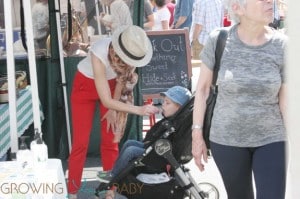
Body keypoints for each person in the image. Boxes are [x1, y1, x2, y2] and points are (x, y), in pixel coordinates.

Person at [192, 0, 287, 198]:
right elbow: (201, 91)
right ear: (237, 7)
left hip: (272, 139)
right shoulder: (218, 40)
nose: (270, 1)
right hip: (227, 141)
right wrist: (196, 135)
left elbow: (286, 100)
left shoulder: (282, 45)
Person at [67, 25, 159, 198]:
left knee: (110, 141)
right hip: (85, 85)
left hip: (110, 87)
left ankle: (111, 190)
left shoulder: (134, 54)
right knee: (80, 143)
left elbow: (120, 82)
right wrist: (138, 109)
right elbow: (106, 99)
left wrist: (112, 108)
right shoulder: (99, 51)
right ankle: (72, 192)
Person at [97, 86, 192, 183]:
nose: (163, 105)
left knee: (131, 150)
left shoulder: (175, 123)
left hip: (160, 155)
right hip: (155, 147)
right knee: (129, 143)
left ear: (179, 108)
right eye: (164, 101)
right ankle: (115, 170)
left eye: (167, 103)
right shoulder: (173, 119)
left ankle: (114, 175)